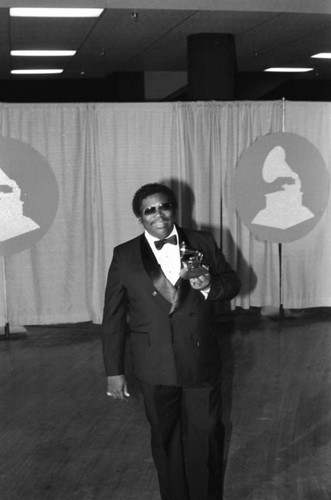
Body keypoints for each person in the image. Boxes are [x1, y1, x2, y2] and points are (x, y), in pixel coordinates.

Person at [102, 183, 240, 500]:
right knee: (165, 439)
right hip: (153, 365)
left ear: (173, 209)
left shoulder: (201, 242)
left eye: (164, 206)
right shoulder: (124, 255)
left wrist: (208, 287)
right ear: (140, 216)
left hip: (200, 359)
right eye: (149, 210)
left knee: (207, 436)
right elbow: (112, 316)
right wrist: (114, 370)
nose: (158, 214)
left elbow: (231, 282)